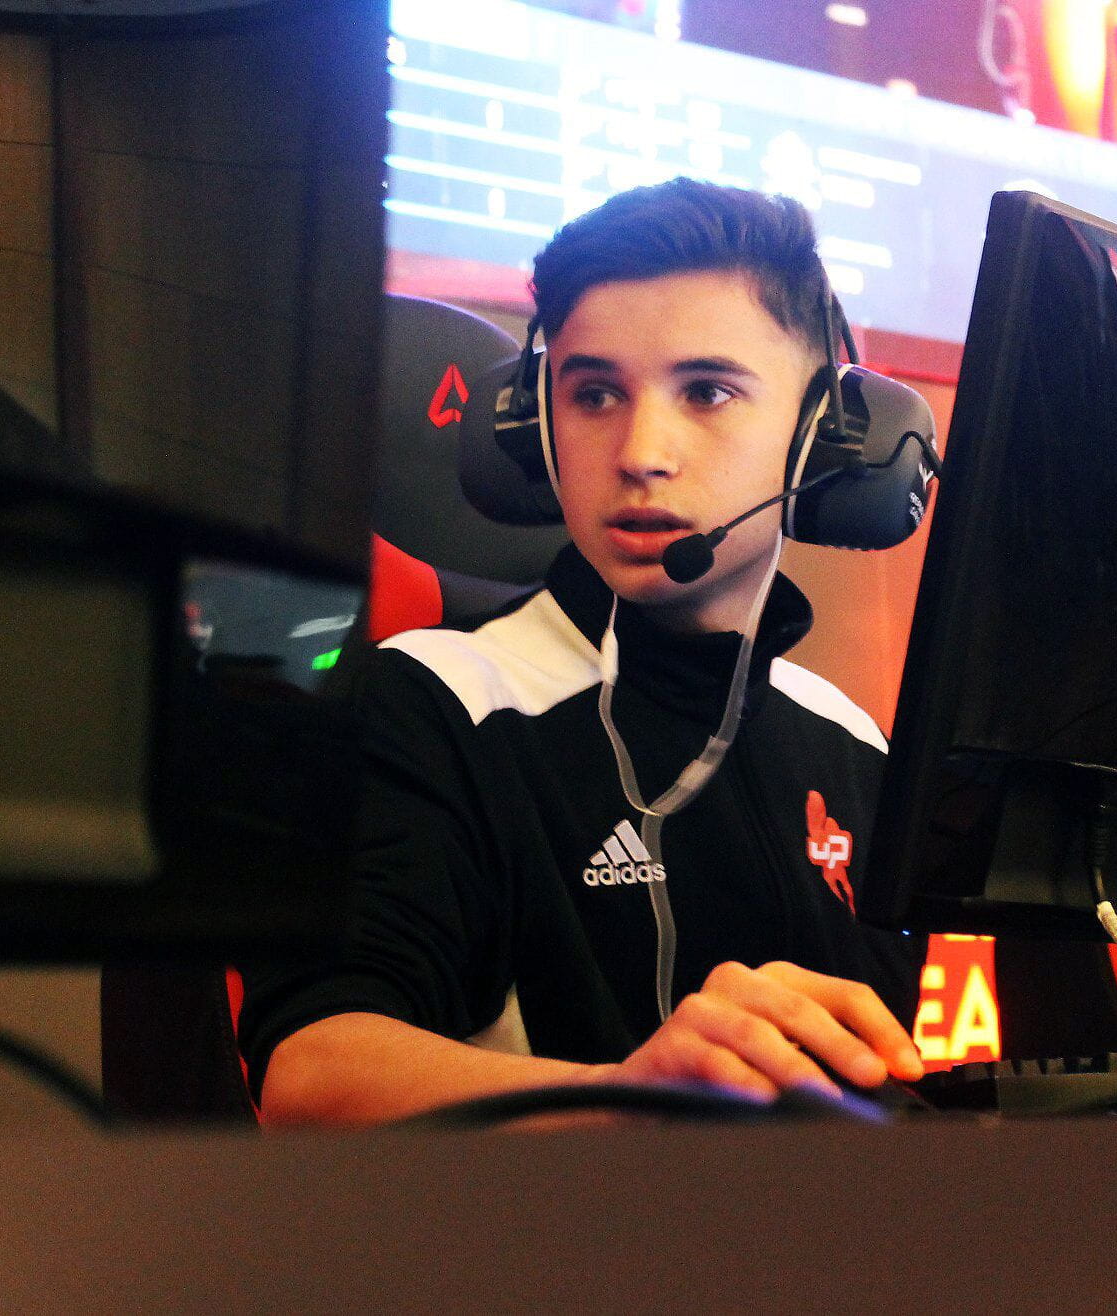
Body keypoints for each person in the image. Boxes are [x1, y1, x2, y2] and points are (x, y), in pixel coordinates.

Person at [240, 179, 932, 1124]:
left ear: (823, 436)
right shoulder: (426, 703)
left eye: (707, 391)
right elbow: (310, 1074)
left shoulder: (853, 741)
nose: (641, 452)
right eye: (595, 394)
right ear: (535, 428)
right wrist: (631, 1101)